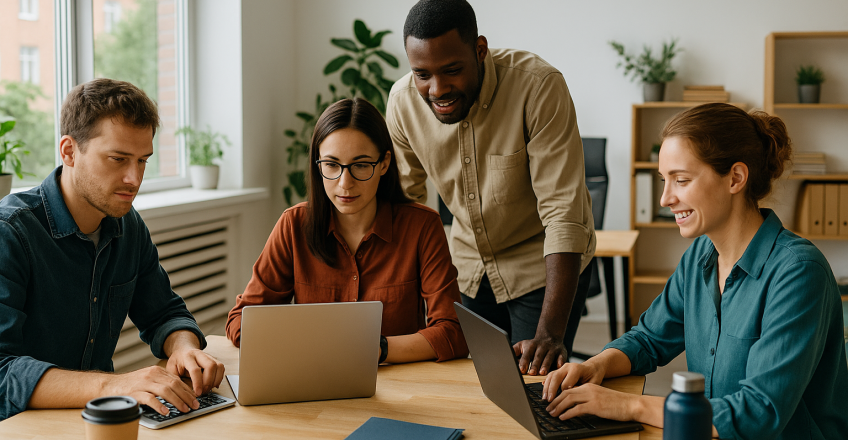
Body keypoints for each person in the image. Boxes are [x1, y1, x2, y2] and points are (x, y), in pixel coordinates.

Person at [541, 103, 848, 439]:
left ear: (735, 178)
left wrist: (628, 405)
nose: (665, 199)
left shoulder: (799, 273)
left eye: (681, 180)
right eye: (664, 181)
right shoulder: (701, 256)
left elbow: (759, 412)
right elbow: (648, 339)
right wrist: (593, 366)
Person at [386, 0, 595, 376]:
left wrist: (550, 333)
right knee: (482, 386)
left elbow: (563, 214)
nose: (437, 89)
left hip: (541, 270)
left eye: (452, 71)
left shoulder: (538, 87)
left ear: (479, 50)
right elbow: (406, 211)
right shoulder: (402, 104)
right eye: (422, 74)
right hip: (469, 269)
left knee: (535, 392)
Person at [0, 78, 225, 421]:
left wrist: (183, 347)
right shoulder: (10, 232)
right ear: (69, 151)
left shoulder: (127, 225)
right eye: (118, 159)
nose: (134, 179)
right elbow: (2, 372)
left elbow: (163, 311)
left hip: (101, 421)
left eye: (142, 161)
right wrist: (111, 386)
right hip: (22, 425)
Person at [226, 98, 468, 364]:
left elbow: (453, 333)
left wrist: (376, 349)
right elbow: (240, 321)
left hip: (401, 386)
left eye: (361, 165)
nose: (345, 183)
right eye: (331, 165)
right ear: (317, 166)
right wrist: (308, 346)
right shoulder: (293, 225)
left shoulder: (422, 226)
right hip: (315, 379)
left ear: (384, 164)